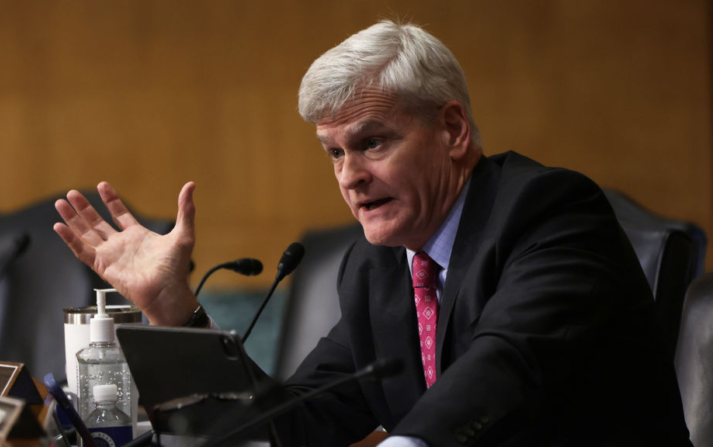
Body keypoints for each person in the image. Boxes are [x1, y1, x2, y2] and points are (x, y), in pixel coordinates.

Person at [54, 21, 691, 446]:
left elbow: (507, 359)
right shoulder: (379, 266)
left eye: (373, 142)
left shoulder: (548, 212)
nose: (351, 177)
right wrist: (172, 306)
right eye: (334, 153)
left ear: (452, 130)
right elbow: (291, 424)